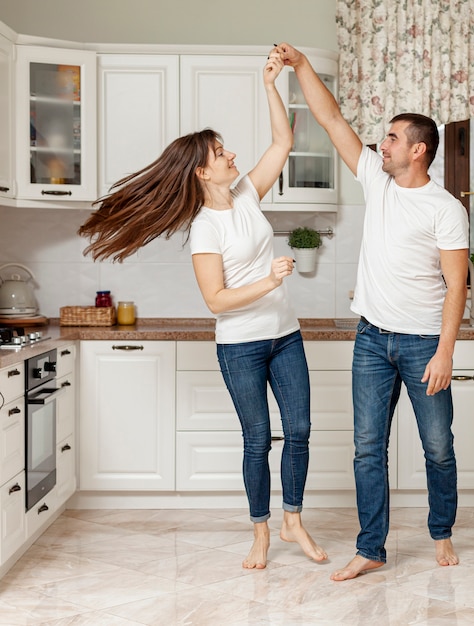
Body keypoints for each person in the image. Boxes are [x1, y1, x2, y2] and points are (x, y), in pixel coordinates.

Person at [78, 47, 327, 570]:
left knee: (299, 431)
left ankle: (292, 521)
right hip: (240, 345)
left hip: (285, 335)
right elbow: (216, 300)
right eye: (220, 152)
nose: (231, 154)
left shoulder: (247, 195)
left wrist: (270, 85)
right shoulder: (204, 230)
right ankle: (259, 531)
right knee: (258, 439)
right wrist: (268, 279)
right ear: (199, 171)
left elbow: (283, 141)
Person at [278, 43, 469, 581]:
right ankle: (371, 548)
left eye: (391, 138)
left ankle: (441, 532)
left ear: (418, 151)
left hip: (423, 343)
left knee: (437, 447)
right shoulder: (375, 182)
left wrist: (445, 353)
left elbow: (457, 287)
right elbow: (330, 116)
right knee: (367, 450)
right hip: (372, 340)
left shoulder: (445, 209)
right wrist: (300, 66)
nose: (380, 144)